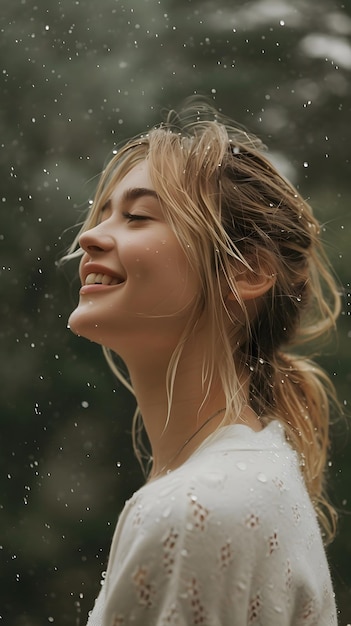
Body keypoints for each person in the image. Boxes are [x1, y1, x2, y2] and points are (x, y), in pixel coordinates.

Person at [65, 99, 341, 625]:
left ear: (245, 272)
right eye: (103, 214)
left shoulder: (194, 511)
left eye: (137, 216)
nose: (89, 237)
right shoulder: (252, 474)